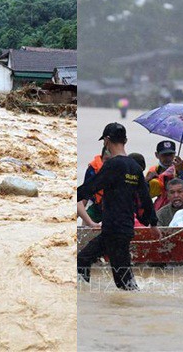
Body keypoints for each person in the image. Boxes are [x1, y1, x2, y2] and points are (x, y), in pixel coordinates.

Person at [77, 122, 157, 290]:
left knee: (124, 283)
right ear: (125, 140)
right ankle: (84, 294)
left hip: (114, 229)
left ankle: (135, 309)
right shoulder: (135, 167)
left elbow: (93, 186)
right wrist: (153, 224)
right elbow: (145, 198)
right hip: (121, 228)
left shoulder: (113, 165)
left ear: (106, 140)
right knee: (84, 259)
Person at [145, 140, 183, 211]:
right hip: (162, 208)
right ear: (156, 155)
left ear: (175, 154)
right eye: (164, 155)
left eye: (170, 155)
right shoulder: (153, 171)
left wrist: (180, 174)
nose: (168, 158)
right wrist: (146, 181)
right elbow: (148, 195)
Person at [80, 147, 111, 225]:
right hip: (96, 205)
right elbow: (84, 195)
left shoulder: (121, 169)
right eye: (106, 160)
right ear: (101, 158)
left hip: (114, 208)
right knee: (85, 223)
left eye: (112, 160)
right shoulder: (92, 170)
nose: (108, 164)